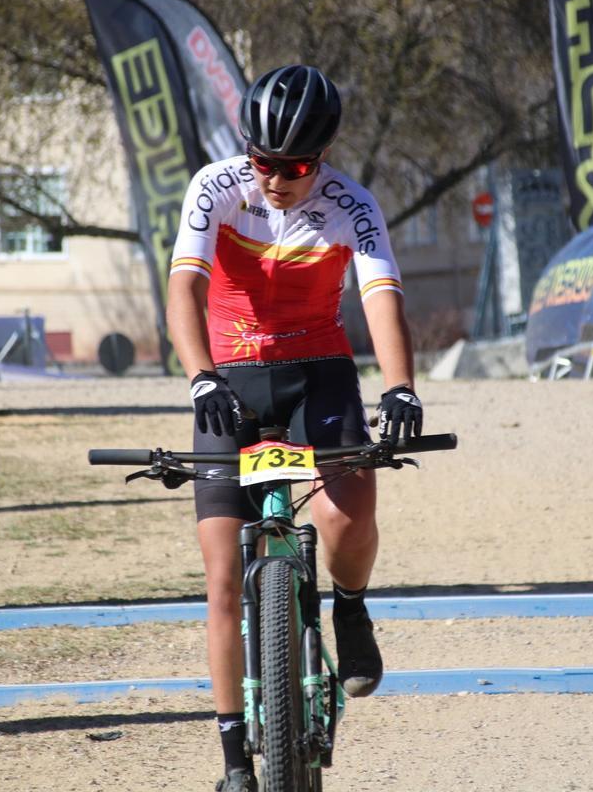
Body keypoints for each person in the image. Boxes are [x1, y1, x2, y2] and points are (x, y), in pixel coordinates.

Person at [166, 64, 423, 792]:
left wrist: (400, 387)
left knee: (347, 513)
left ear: (324, 156)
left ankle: (349, 608)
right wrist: (200, 376)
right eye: (264, 162)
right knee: (221, 578)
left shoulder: (353, 204)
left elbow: (382, 296)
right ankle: (233, 760)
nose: (276, 179)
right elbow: (182, 285)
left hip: (319, 371)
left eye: (296, 166)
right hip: (231, 379)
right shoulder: (217, 187)